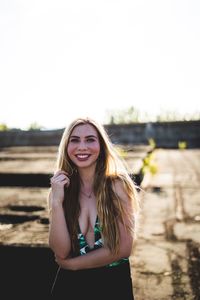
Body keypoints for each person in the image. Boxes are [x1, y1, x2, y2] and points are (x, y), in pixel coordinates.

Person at [48, 117, 140, 300]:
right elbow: (61, 252)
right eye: (74, 140)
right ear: (66, 147)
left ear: (101, 146)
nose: (82, 146)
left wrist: (73, 265)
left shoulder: (117, 185)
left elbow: (123, 248)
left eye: (90, 139)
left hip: (113, 285)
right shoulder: (61, 189)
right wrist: (56, 203)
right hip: (69, 288)